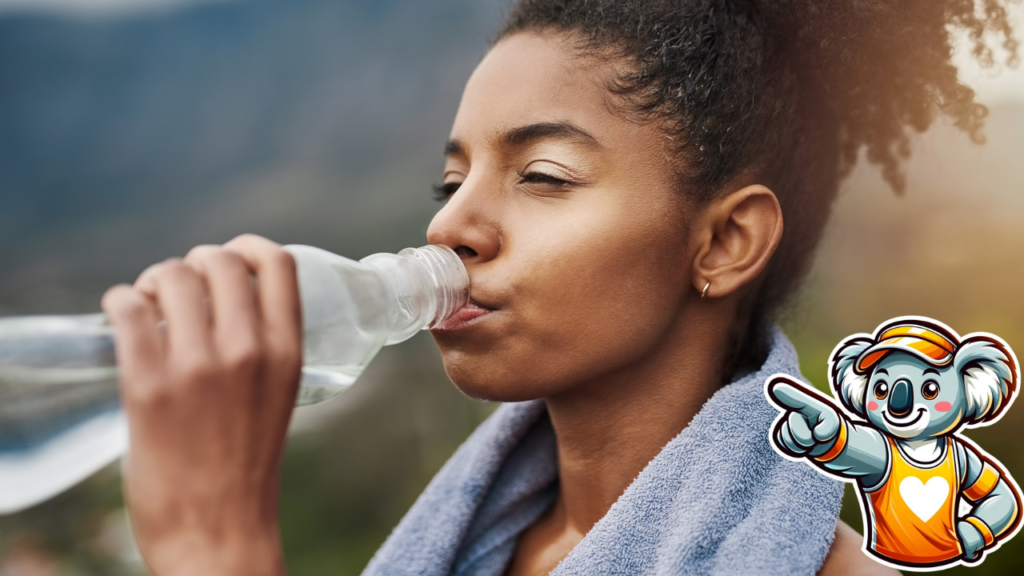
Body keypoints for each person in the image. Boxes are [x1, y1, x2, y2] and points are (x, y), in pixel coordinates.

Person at [99, 1, 1018, 574]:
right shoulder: (480, 545)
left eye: (542, 175)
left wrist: (219, 557)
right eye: (449, 182)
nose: (449, 227)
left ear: (726, 241)